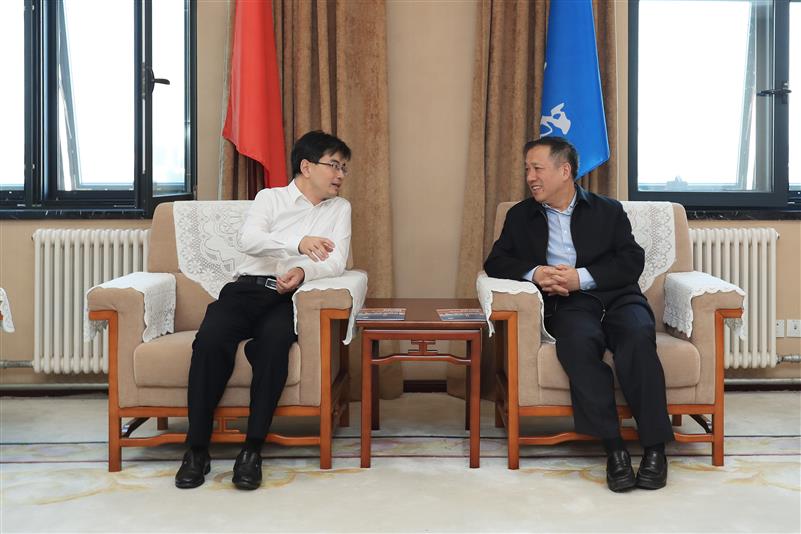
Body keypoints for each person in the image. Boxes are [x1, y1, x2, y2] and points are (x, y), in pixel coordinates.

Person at [484, 136, 673, 492]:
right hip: (569, 304)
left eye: (537, 168)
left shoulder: (607, 210)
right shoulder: (520, 216)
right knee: (576, 344)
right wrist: (536, 273)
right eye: (527, 169)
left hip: (618, 297)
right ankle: (614, 448)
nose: (530, 177)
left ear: (564, 171)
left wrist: (581, 277)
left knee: (637, 338)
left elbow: (631, 261)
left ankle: (655, 449)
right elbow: (496, 261)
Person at [175, 131, 352, 490]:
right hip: (246, 290)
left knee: (274, 348)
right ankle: (196, 449)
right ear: (306, 166)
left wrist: (302, 271)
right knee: (209, 342)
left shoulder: (339, 209)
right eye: (334, 165)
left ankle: (252, 450)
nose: (340, 175)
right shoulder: (270, 198)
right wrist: (298, 243)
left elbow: (336, 262)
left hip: (288, 298)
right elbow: (249, 240)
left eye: (343, 168)